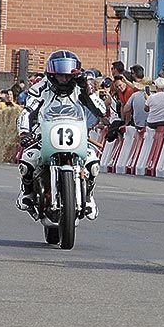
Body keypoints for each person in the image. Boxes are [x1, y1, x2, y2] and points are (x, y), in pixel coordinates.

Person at [16, 50, 106, 217]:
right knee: (28, 158)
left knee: (93, 161)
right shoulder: (40, 88)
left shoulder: (81, 89)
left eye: (67, 76)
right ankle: (27, 193)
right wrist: (24, 133)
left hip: (76, 133)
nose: (64, 79)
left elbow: (101, 110)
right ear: (52, 75)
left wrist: (90, 91)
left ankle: (88, 197)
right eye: (60, 76)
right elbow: (27, 112)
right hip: (44, 133)